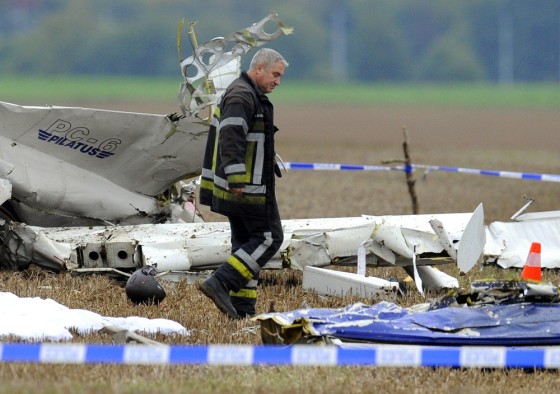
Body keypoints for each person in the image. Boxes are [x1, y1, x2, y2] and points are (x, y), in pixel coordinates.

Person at [198, 48, 288, 319]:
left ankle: (242, 309)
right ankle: (221, 282)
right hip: (246, 188)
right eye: (275, 74)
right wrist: (237, 176)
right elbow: (231, 136)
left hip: (244, 186)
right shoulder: (241, 95)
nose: (277, 81)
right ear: (258, 68)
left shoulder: (246, 93)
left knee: (245, 245)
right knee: (269, 238)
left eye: (280, 77)